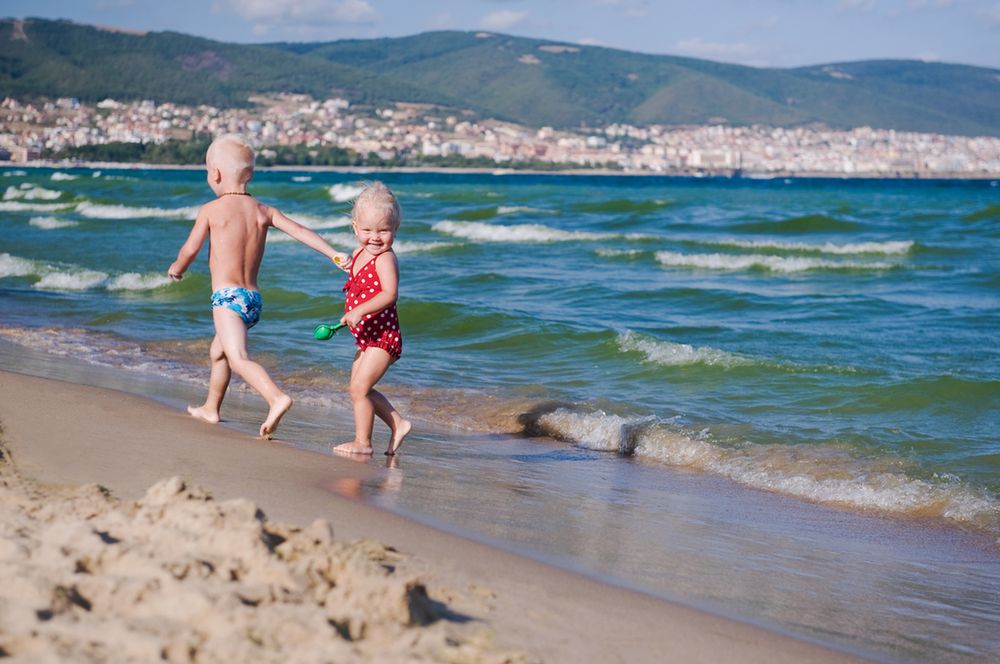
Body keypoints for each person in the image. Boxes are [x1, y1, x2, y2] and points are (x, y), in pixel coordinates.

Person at [167, 134, 351, 439]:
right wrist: (333, 253)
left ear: (214, 174)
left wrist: (177, 268)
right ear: (249, 174)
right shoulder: (263, 211)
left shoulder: (211, 210)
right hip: (252, 300)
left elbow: (190, 250)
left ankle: (276, 397)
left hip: (226, 299)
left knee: (237, 356)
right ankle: (211, 408)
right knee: (219, 352)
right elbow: (301, 231)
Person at [334, 181, 411, 456]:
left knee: (359, 387)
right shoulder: (359, 253)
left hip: (383, 337)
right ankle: (397, 423)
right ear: (355, 228)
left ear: (395, 230)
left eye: (384, 230)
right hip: (366, 338)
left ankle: (363, 443)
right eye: (367, 230)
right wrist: (347, 263)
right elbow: (359, 281)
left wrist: (358, 311)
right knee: (357, 390)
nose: (375, 237)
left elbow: (390, 294)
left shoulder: (386, 259)